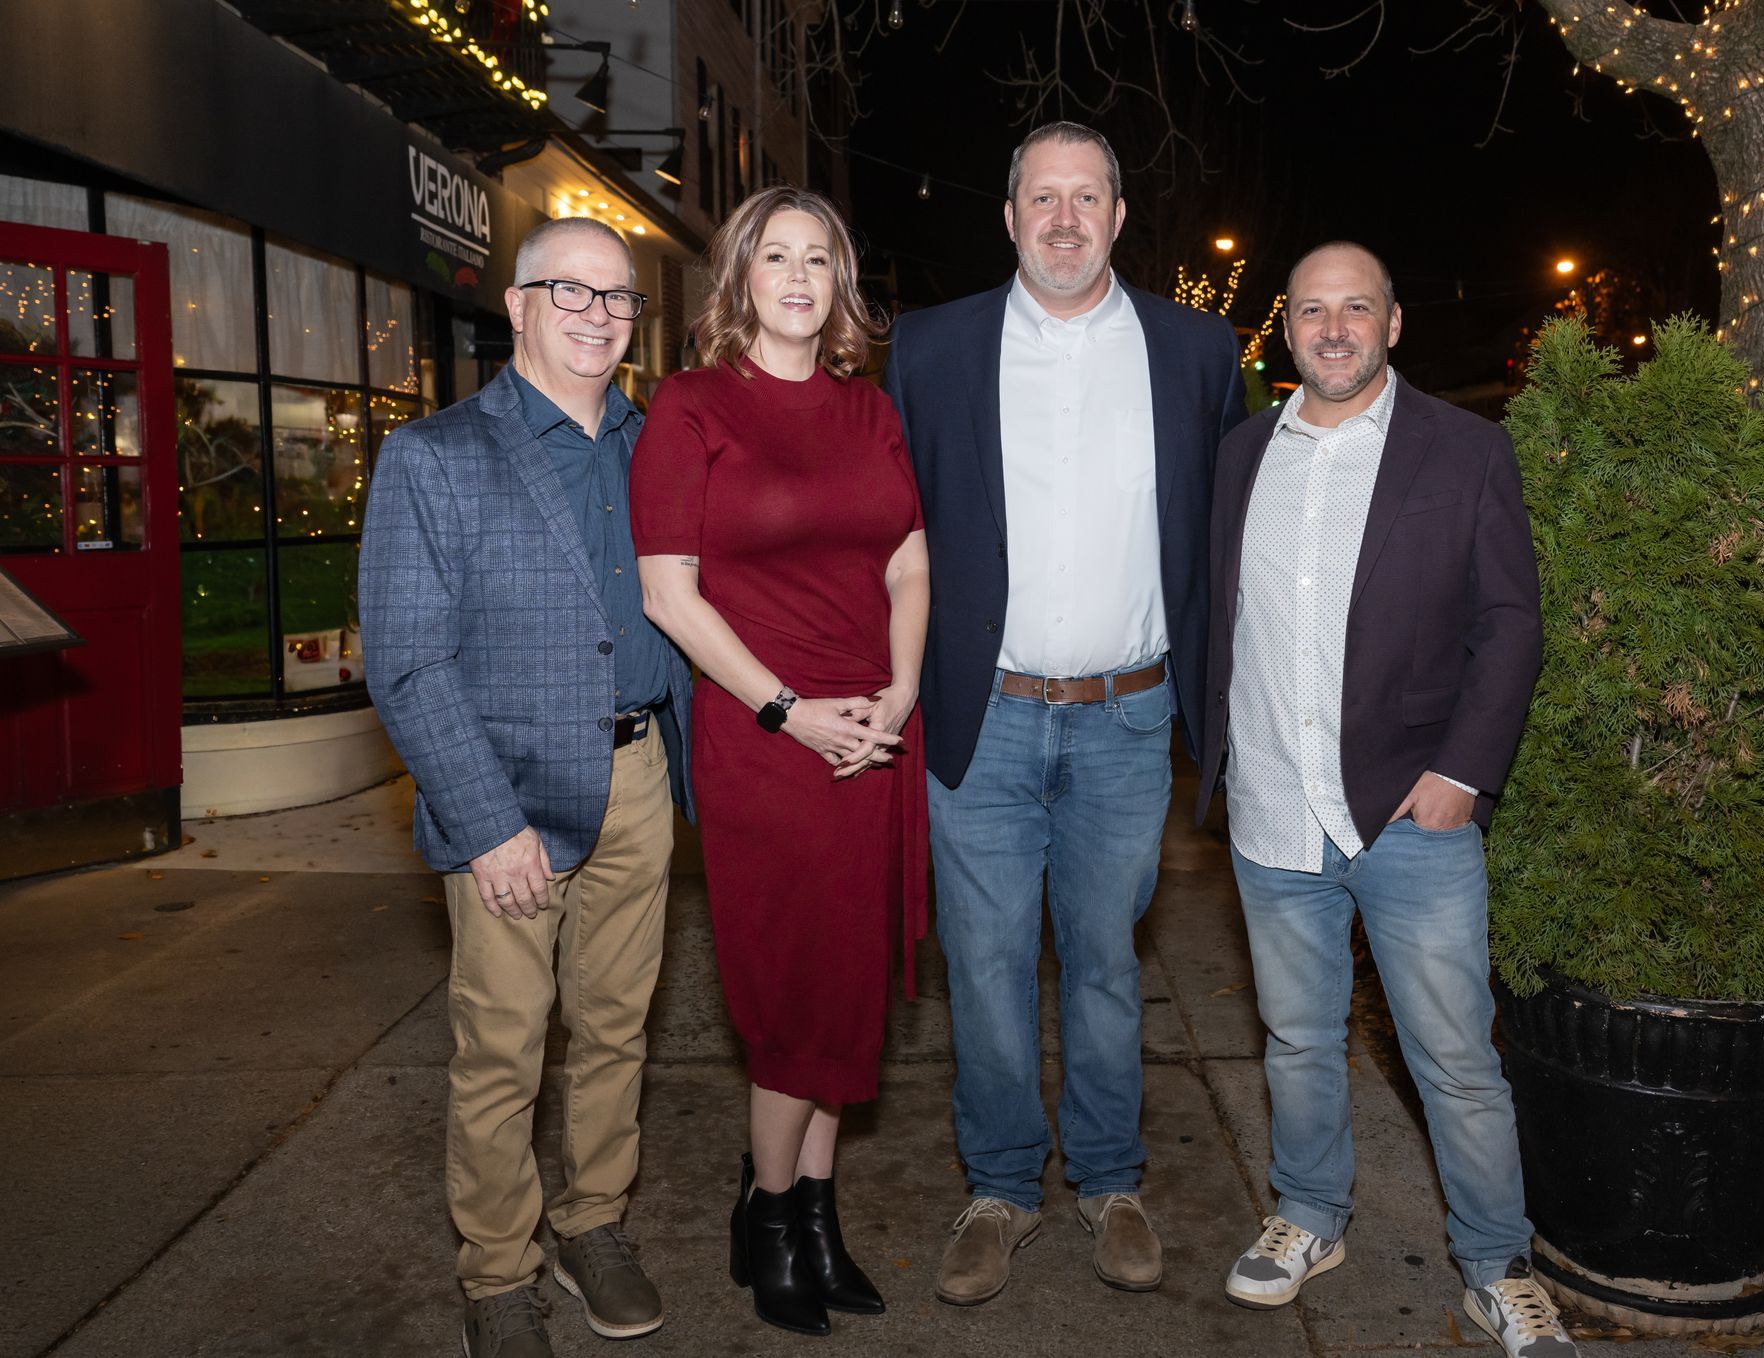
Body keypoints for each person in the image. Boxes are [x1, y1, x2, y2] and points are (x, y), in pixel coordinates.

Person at [884, 122, 1246, 1306]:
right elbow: (886, 531)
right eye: (1043, 196)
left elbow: (1228, 533)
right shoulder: (931, 348)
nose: (1064, 218)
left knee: (1101, 961)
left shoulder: (1196, 349)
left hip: (1128, 720)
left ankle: (1108, 1178)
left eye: (1087, 196)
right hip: (979, 716)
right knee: (983, 963)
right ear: (1008, 216)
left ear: (1120, 215)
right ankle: (997, 1186)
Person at [1197, 240, 1577, 1355]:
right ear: (1286, 326)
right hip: (1273, 808)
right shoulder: (1239, 456)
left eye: (1355, 308)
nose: (1333, 328)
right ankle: (1310, 1215)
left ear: (1393, 323)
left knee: (1456, 1056)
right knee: (1297, 1037)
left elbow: (1511, 623)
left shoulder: (1464, 452)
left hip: (1412, 813)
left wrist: (1462, 773)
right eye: (1312, 309)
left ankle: (1496, 1264)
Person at [361, 216, 693, 1358]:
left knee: (615, 1027)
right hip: (506, 797)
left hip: (642, 772)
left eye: (617, 299)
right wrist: (485, 821)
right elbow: (406, 657)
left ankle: (593, 1218)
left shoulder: (656, 446)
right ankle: (498, 1270)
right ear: (516, 305)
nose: (598, 316)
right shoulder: (436, 455)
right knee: (503, 1047)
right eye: (572, 292)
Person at [632, 185, 929, 1337]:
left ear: (841, 286)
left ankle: (814, 1212)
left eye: (821, 259)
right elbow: (669, 594)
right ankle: (766, 1215)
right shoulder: (691, 405)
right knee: (792, 991)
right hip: (770, 737)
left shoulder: (870, 412)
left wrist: (900, 687)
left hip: (875, 733)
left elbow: (908, 561)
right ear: (740, 277)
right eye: (777, 256)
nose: (800, 276)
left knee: (847, 986)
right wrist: (790, 710)